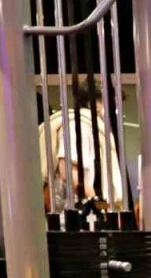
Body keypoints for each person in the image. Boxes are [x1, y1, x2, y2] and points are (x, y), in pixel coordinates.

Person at [38, 84, 125, 212]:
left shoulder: (91, 128)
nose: (116, 112)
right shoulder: (79, 126)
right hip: (73, 212)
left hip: (79, 210)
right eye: (114, 106)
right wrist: (96, 206)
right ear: (95, 104)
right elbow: (68, 171)